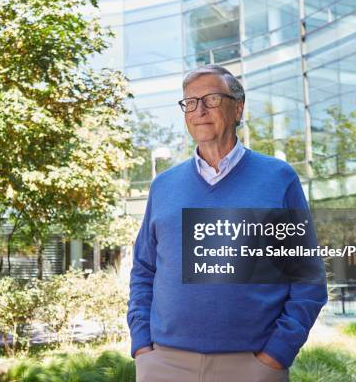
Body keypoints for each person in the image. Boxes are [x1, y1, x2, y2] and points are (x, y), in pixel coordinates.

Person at [127, 64, 328, 382]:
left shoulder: (278, 178)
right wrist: (142, 347)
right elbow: (143, 271)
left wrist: (275, 356)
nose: (199, 110)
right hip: (163, 364)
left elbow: (308, 279)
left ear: (238, 108)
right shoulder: (163, 185)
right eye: (190, 102)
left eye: (211, 99)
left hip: (252, 366)